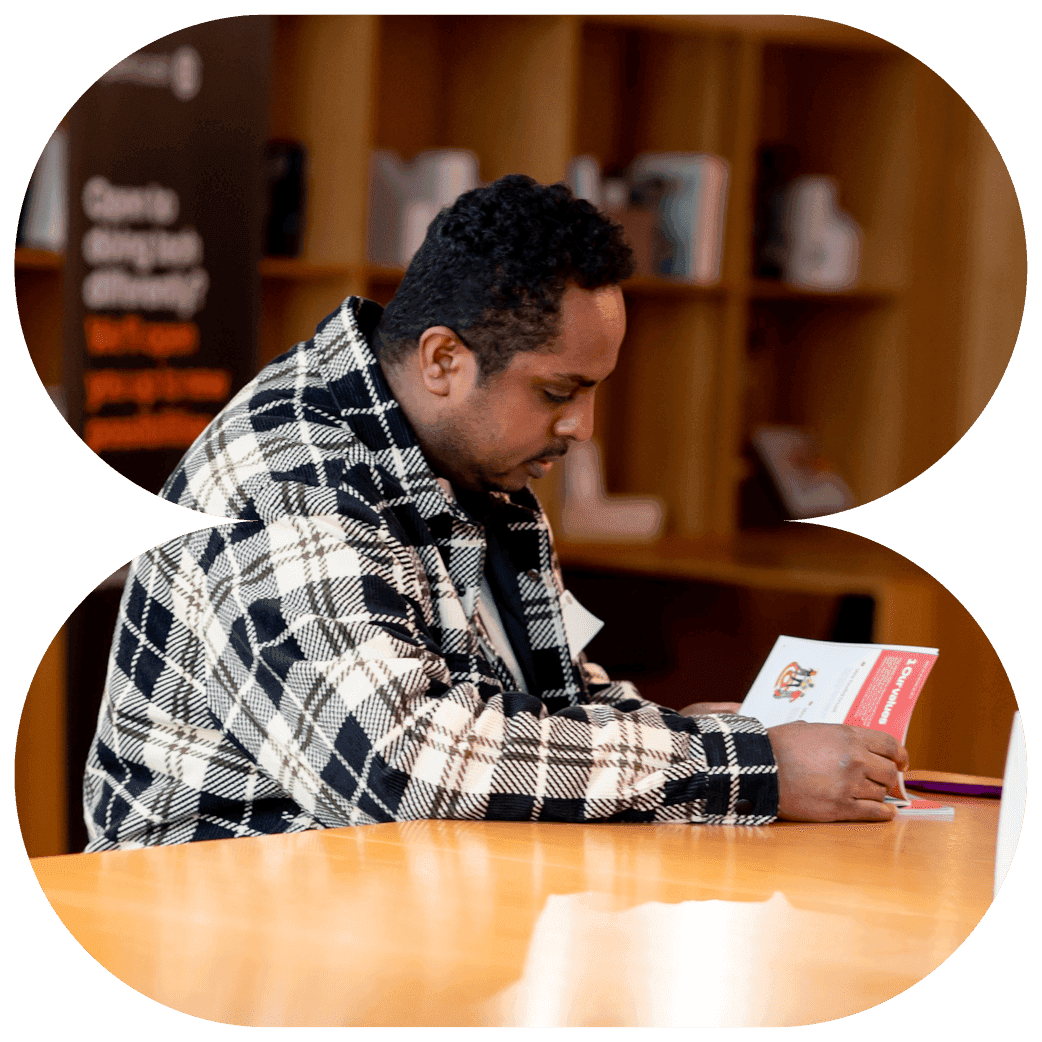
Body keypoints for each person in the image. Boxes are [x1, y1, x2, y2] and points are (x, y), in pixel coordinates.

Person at [83, 175, 907, 850]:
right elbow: (402, 764)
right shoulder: (290, 477)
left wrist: (674, 729)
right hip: (207, 934)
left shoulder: (466, 462)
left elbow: (528, 706)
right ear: (445, 359)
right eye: (559, 392)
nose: (582, 427)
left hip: (377, 910)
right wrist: (747, 767)